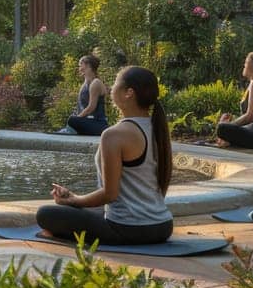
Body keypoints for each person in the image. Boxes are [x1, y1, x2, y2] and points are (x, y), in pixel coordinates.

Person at [37, 65, 174, 246]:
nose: (110, 88)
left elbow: (110, 194)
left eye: (116, 84)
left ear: (129, 93)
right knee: (84, 212)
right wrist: (73, 197)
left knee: (45, 215)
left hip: (128, 229)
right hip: (163, 226)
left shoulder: (114, 135)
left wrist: (74, 200)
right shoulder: (157, 128)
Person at [214, 52, 253, 150]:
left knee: (222, 128)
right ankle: (226, 140)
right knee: (224, 127)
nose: (244, 65)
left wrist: (229, 125)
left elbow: (250, 117)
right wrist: (230, 124)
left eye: (246, 62)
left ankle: (226, 140)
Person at [56, 55, 108, 136]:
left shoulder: (96, 83)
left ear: (88, 66)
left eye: (81, 64)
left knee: (72, 120)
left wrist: (78, 118)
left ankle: (70, 130)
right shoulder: (85, 83)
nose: (79, 67)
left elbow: (91, 107)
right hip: (88, 122)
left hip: (98, 124)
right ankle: (70, 130)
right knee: (72, 118)